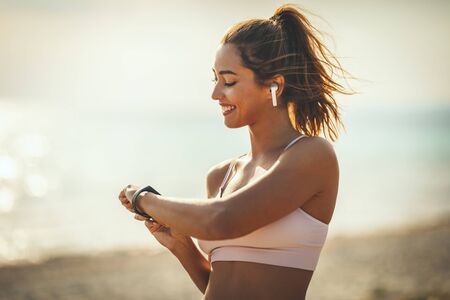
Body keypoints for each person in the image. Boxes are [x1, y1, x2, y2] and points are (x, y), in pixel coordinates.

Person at [119, 3, 354, 300]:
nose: (216, 94)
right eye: (215, 79)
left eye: (228, 81)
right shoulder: (220, 177)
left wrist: (145, 199)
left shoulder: (312, 155)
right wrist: (182, 245)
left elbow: (222, 220)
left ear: (274, 86)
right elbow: (220, 285)